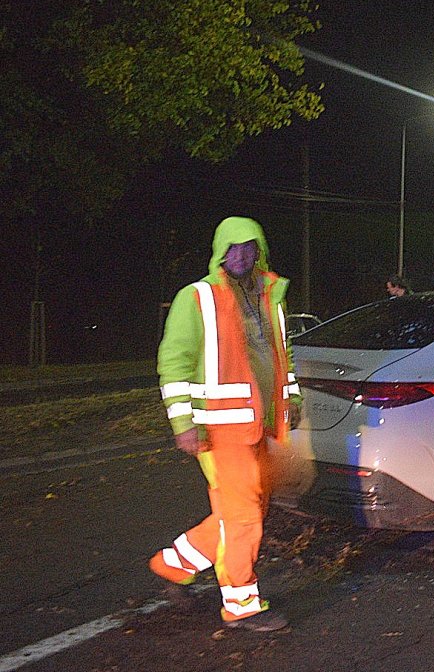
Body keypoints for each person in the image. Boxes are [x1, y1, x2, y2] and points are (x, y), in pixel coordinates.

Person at [149, 217, 301, 632]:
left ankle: (173, 564)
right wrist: (182, 423)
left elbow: (281, 355)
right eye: (232, 248)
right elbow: (173, 364)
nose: (240, 255)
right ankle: (242, 604)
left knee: (242, 510)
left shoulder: (270, 296)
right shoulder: (195, 298)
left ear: (260, 251)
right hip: (219, 430)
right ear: (220, 251)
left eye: (249, 248)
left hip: (261, 425)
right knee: (244, 516)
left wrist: (293, 398)